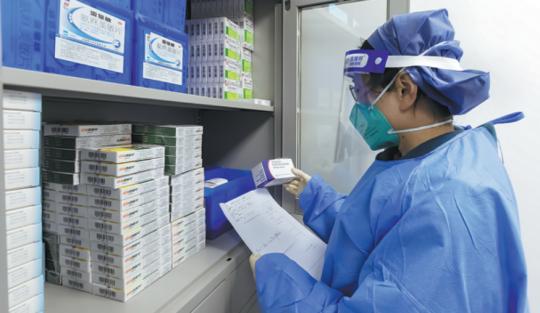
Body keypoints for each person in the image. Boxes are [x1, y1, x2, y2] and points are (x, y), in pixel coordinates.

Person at [250, 9, 529, 313]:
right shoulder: (440, 155)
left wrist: (275, 276)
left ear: (405, 89)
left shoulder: (448, 196)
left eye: (364, 92)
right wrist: (315, 196)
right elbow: (380, 228)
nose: (359, 108)